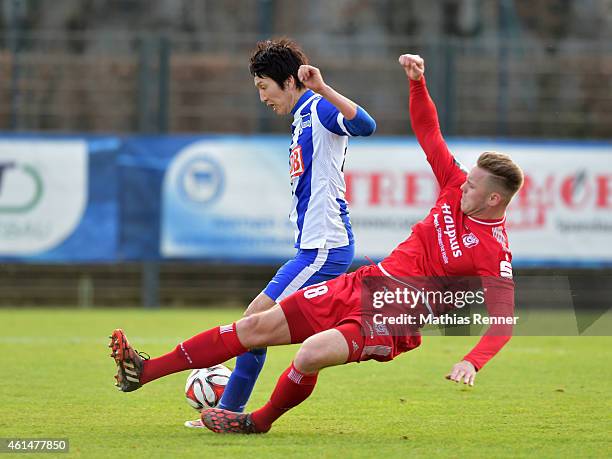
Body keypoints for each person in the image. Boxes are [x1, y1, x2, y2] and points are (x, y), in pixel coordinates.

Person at [109, 53, 523, 434]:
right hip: (365, 282)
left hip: (394, 315)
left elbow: (503, 320)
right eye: (465, 179)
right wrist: (418, 84)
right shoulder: (454, 186)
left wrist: (472, 360)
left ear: (493, 199)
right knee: (255, 325)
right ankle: (144, 373)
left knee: (309, 353)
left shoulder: (493, 251)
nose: (461, 184)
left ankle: (256, 421)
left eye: (472, 186)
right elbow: (429, 132)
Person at [207, 39, 375, 414]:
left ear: (287, 81)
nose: (262, 97)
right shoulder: (301, 118)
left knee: (254, 323)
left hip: (325, 248)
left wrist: (322, 88)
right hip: (314, 248)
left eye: (264, 87)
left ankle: (228, 411)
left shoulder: (317, 107)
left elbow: (366, 125)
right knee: (264, 326)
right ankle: (229, 409)